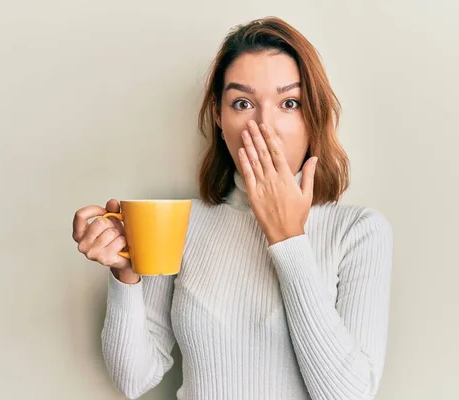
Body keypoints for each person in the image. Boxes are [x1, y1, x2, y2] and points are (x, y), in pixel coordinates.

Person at [72, 16, 393, 400]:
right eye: (242, 103)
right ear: (219, 117)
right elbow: (135, 378)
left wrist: (287, 237)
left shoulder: (358, 231)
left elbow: (348, 395)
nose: (264, 125)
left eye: (289, 103)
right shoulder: (181, 223)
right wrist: (126, 274)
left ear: (313, 117)